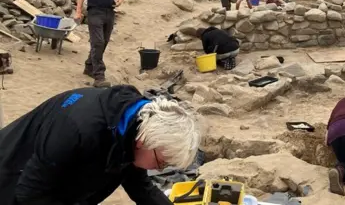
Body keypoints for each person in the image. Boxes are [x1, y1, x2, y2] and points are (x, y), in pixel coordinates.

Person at [0, 85, 201, 205]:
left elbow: (140, 186)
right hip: (11, 177)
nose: (159, 169)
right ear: (144, 141)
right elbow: (29, 193)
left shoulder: (132, 128)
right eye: (162, 163)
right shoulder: (79, 129)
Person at [75, 0, 127, 88]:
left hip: (109, 12)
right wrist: (78, 11)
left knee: (103, 42)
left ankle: (89, 66)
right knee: (97, 42)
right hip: (95, 11)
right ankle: (99, 76)